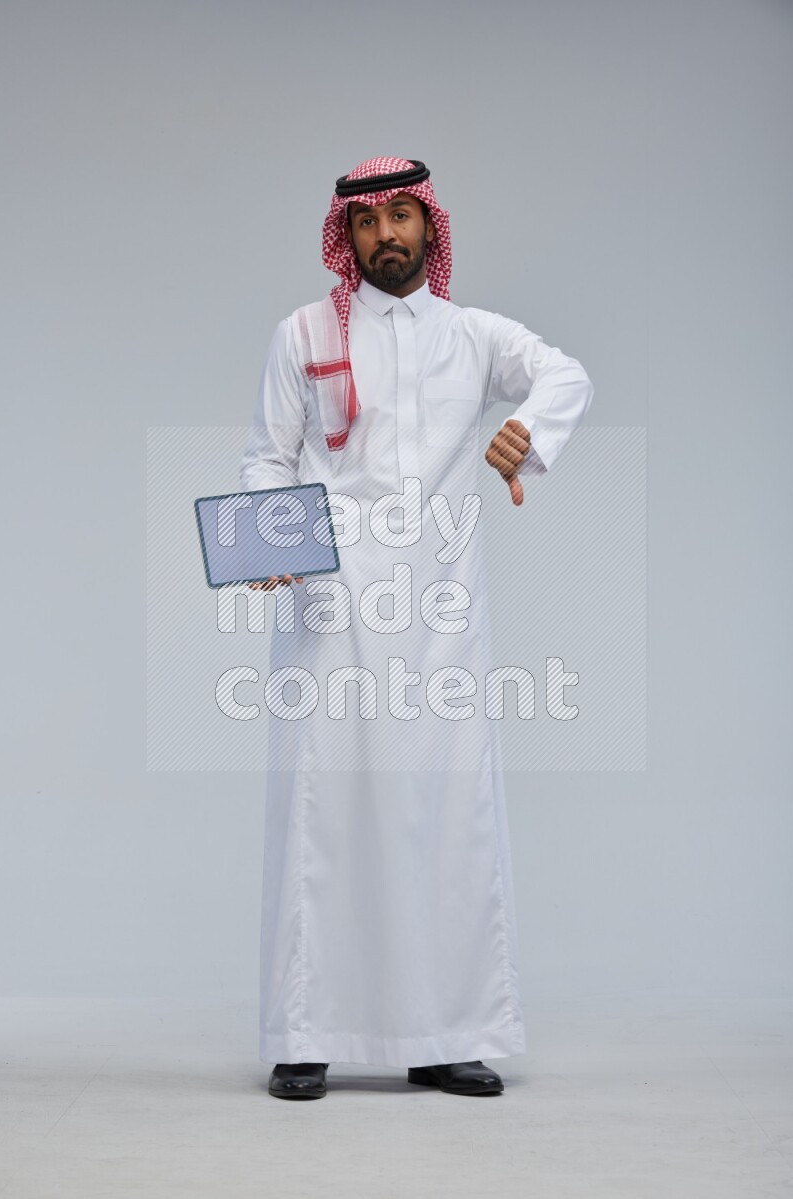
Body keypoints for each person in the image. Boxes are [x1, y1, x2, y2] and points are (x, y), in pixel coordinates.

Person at [239, 157, 594, 1100]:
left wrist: (531, 433)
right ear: (345, 236)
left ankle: (447, 1032)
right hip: (330, 608)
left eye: (404, 216)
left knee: (443, 818)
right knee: (323, 816)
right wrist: (268, 545)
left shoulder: (473, 336)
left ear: (429, 230)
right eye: (368, 222)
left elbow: (565, 374)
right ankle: (305, 1031)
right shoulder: (301, 333)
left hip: (437, 613)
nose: (386, 235)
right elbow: (268, 460)